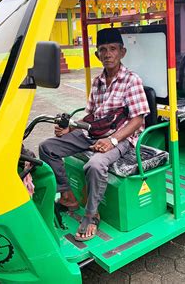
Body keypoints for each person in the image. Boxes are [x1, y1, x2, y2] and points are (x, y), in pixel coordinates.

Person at [39, 28, 149, 241]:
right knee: (47, 147)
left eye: (113, 49)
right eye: (103, 50)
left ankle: (91, 214)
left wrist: (112, 140)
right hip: (95, 133)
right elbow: (91, 115)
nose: (108, 54)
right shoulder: (98, 82)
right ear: (98, 55)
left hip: (123, 137)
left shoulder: (131, 80)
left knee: (95, 165)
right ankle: (68, 195)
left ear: (122, 52)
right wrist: (71, 128)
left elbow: (137, 120)